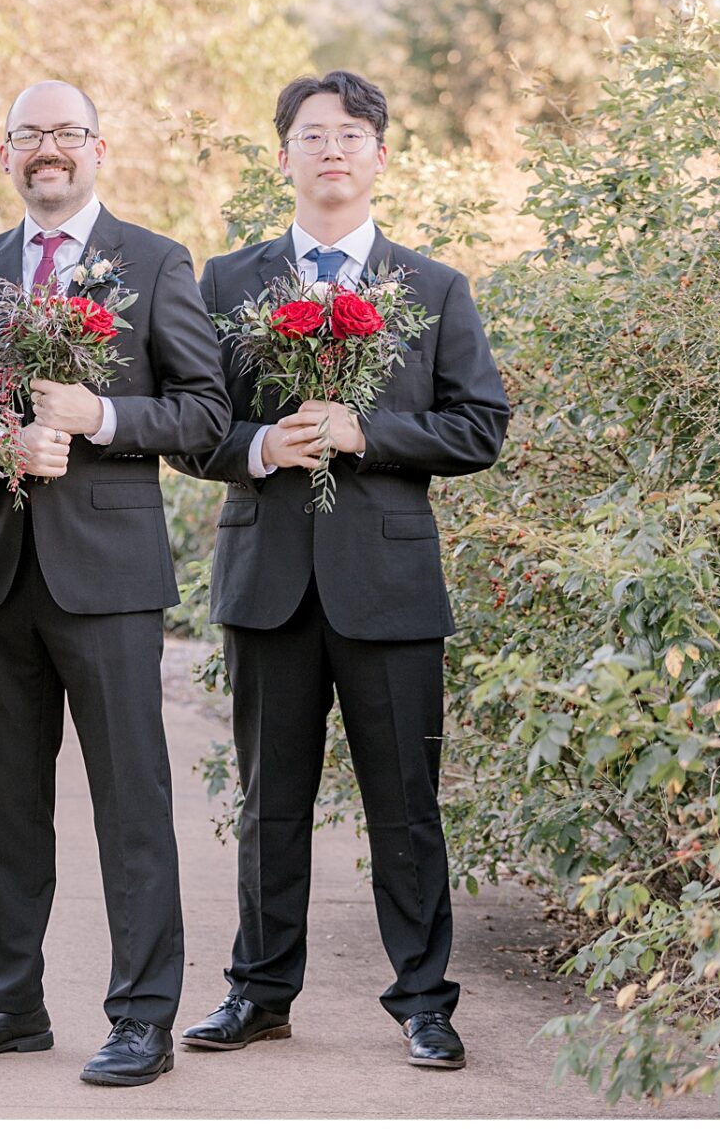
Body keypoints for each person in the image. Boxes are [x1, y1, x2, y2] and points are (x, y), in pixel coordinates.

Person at [180, 71, 509, 1072]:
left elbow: (479, 424)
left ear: (378, 156)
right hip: (267, 579)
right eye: (311, 134)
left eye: (351, 134)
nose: (331, 149)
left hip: (389, 586)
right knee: (266, 800)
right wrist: (254, 447)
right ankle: (259, 990)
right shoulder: (226, 281)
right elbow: (194, 426)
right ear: (281, 155)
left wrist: (369, 431)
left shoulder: (432, 285)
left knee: (403, 800)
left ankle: (421, 998)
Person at [0, 83, 230, 1087]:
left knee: (129, 802)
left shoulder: (151, 261)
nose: (45, 148)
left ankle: (141, 1011)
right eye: (26, 134)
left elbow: (203, 416)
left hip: (107, 577)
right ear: (1, 151)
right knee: (4, 803)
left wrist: (99, 417)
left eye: (63, 132)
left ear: (95, 145)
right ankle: (5, 1001)